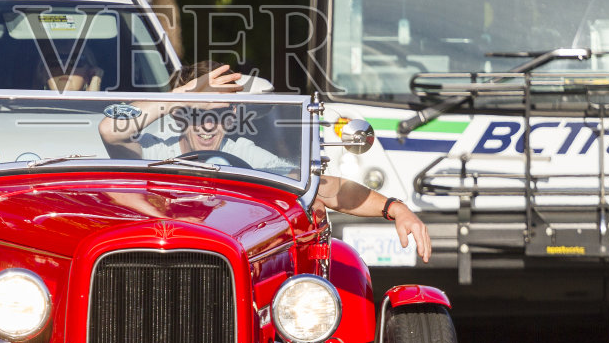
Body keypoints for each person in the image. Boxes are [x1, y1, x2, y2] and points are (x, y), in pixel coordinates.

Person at [99, 61, 434, 261]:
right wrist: (183, 94)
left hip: (225, 259)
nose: (206, 125)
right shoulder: (154, 150)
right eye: (195, 113)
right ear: (177, 115)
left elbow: (322, 189)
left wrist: (397, 208)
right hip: (153, 254)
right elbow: (110, 130)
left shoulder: (244, 152)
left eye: (218, 115)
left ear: (231, 118)